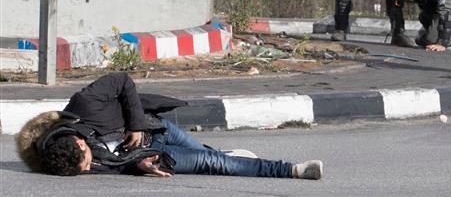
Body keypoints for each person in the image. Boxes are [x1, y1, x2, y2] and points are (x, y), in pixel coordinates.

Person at [16, 72, 323, 179]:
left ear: (80, 142)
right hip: (152, 155)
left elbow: (122, 80)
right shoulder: (65, 161)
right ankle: (293, 170)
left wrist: (134, 126)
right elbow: (117, 166)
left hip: (155, 128)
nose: (91, 168)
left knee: (210, 153)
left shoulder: (82, 106)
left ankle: (231, 155)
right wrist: (141, 166)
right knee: (213, 163)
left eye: (87, 162)